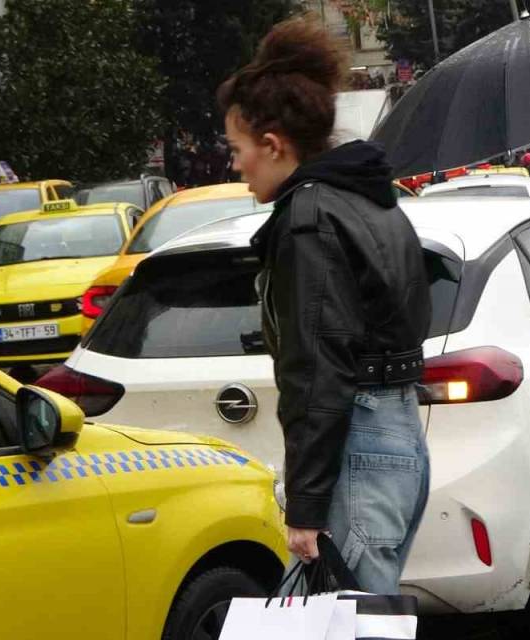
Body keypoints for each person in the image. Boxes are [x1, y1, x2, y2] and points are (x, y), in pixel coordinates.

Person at [218, 17, 433, 592]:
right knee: (362, 613)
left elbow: (317, 367)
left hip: (356, 442)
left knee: (349, 617)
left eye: (237, 149)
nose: (235, 165)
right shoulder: (368, 200)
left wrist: (307, 505)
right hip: (395, 429)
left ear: (272, 144)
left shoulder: (308, 219)